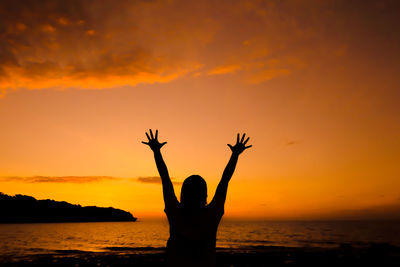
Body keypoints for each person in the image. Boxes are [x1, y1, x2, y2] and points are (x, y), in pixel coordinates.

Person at [142, 129, 252, 267]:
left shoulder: (175, 212)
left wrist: (156, 152)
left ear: (183, 194)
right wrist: (235, 155)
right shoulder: (212, 214)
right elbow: (224, 181)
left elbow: (165, 179)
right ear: (205, 197)